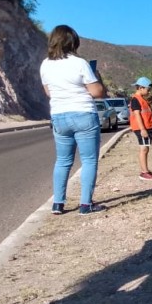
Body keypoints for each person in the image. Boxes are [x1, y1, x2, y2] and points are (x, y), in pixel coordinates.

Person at [40, 24, 106, 215]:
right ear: (73, 42)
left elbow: (48, 92)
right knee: (89, 160)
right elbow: (97, 92)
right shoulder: (79, 63)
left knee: (62, 161)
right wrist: (96, 82)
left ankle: (58, 203)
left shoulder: (45, 64)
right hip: (83, 113)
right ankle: (86, 204)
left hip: (59, 115)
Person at [129, 77, 152, 181]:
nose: (149, 92)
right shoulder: (136, 99)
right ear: (141, 88)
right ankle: (144, 172)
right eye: (148, 89)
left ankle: (145, 170)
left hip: (147, 128)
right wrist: (143, 129)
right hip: (142, 129)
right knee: (144, 149)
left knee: (146, 148)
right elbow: (137, 115)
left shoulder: (142, 99)